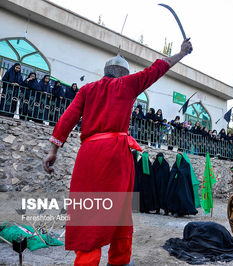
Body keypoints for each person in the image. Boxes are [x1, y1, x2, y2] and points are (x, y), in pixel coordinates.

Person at [42, 38, 193, 266]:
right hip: (116, 154)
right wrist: (181, 53)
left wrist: (53, 150)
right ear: (123, 74)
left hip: (89, 154)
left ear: (105, 72)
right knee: (120, 207)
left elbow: (67, 119)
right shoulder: (128, 84)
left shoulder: (86, 90)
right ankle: (120, 260)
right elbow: (158, 68)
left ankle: (86, 261)